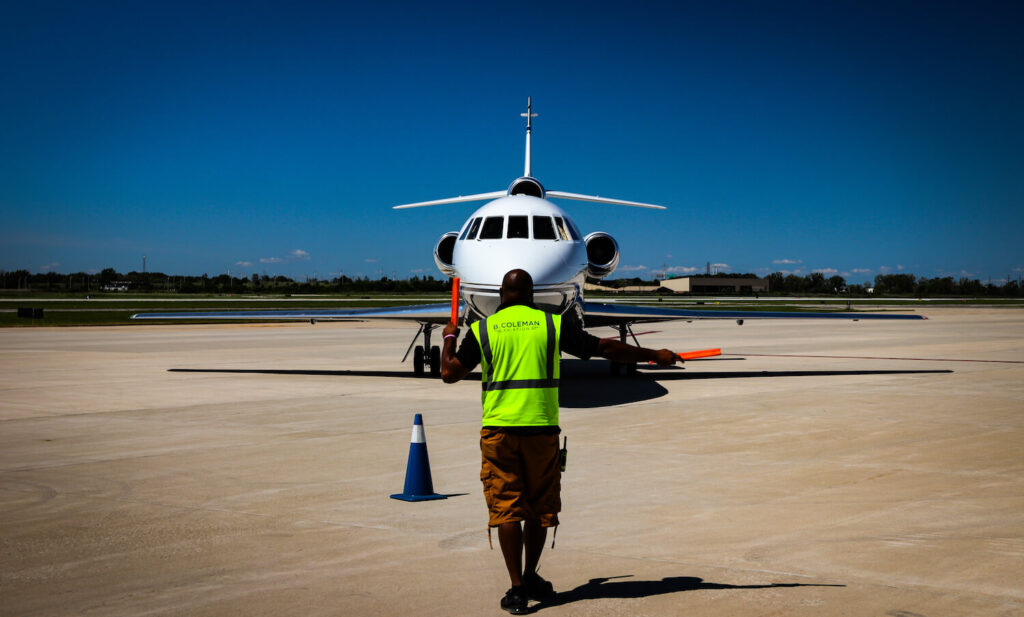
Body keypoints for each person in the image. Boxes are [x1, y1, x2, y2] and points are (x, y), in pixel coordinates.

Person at [441, 269, 678, 614]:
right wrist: (653, 354)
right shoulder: (551, 325)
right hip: (541, 429)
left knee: (507, 508)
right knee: (540, 507)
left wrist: (450, 336)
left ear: (501, 295)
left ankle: (518, 589)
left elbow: (449, 373)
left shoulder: (483, 329)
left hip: (499, 431)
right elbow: (605, 347)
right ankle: (531, 575)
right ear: (532, 294)